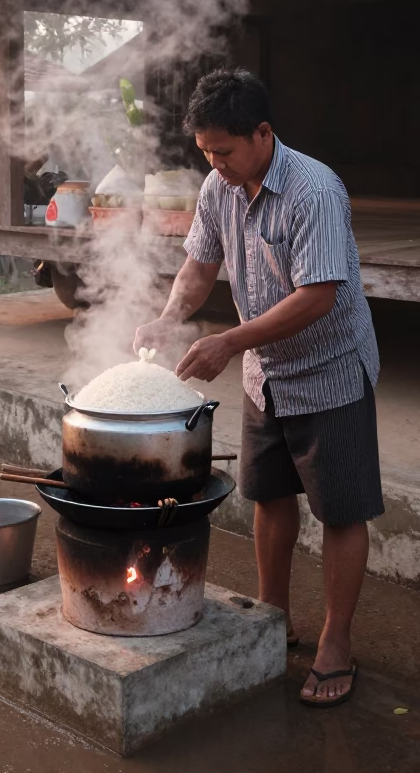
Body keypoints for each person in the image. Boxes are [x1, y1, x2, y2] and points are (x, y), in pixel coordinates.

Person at [134, 68, 383, 708]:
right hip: (266, 374)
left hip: (329, 370)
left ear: (263, 134)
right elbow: (199, 263)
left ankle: (336, 641)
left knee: (341, 509)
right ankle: (274, 615)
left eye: (225, 150)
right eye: (206, 152)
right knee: (271, 495)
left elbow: (319, 295)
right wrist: (170, 318)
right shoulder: (219, 188)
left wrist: (228, 341)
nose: (215, 164)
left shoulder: (314, 191)